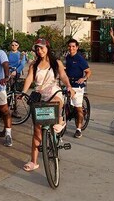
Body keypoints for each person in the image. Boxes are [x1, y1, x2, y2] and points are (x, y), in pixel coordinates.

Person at [21, 38, 75, 172]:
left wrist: (69, 86)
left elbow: (62, 75)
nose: (40, 51)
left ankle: (60, 121)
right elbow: (29, 79)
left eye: (42, 47)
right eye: (37, 48)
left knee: (55, 102)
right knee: (37, 130)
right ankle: (34, 161)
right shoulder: (34, 64)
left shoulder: (56, 63)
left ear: (47, 48)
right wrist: (23, 92)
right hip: (39, 93)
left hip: (52, 90)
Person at [65, 38, 92, 138]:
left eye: (73, 46)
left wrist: (84, 78)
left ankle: (78, 129)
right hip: (68, 84)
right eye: (69, 46)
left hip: (77, 86)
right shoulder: (67, 57)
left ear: (77, 47)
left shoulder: (80, 59)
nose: (71, 48)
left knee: (78, 109)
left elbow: (89, 71)